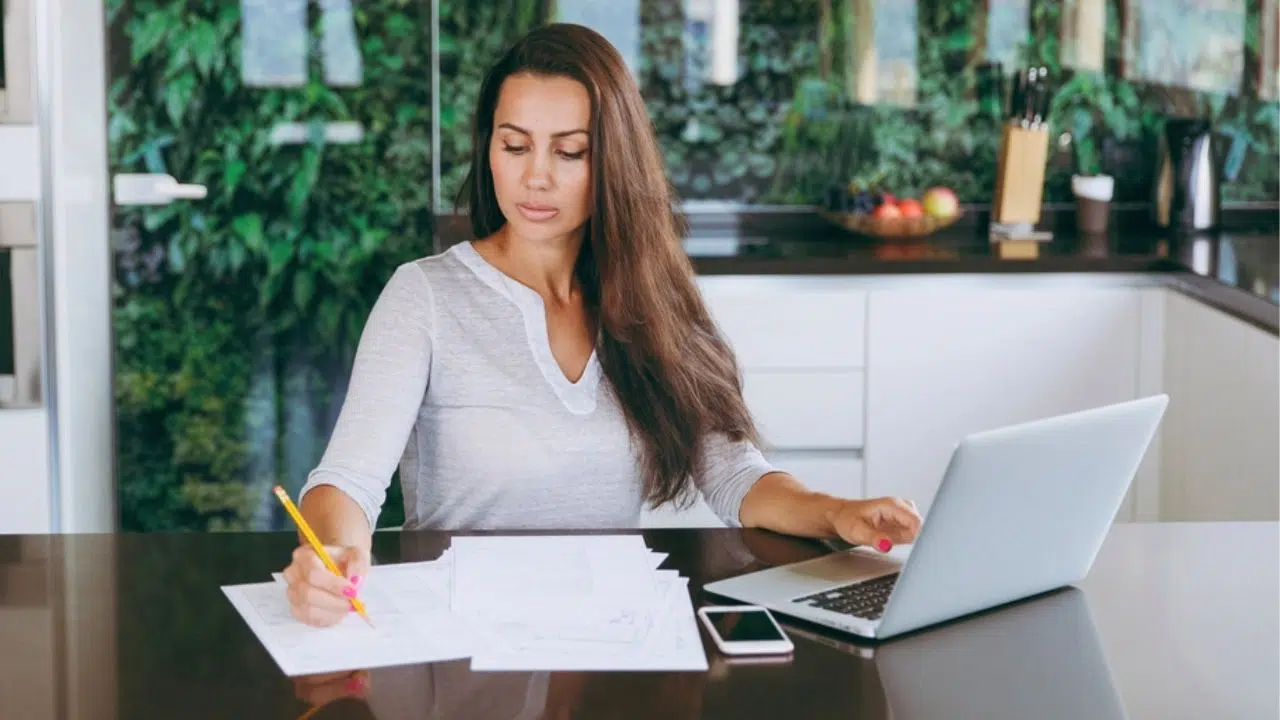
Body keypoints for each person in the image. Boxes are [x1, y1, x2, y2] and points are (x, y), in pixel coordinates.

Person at [282, 23, 922, 627]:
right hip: (464, 645)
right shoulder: (423, 295)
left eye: (570, 152)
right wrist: (332, 554)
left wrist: (838, 514)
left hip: (609, 643)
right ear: (489, 149)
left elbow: (732, 475)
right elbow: (349, 481)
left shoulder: (651, 293)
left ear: (613, 160)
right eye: (515, 145)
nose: (537, 176)